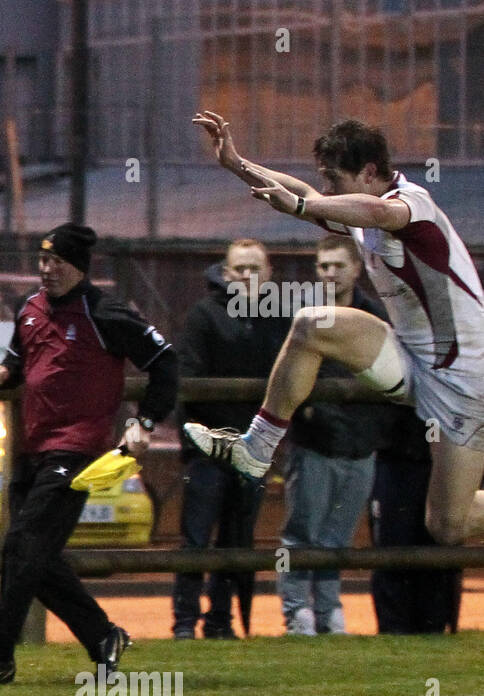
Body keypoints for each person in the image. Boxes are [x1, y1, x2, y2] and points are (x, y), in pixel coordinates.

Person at [185, 113, 484, 548]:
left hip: (465, 380)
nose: (325, 190)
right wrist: (236, 163)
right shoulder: (358, 208)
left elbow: (372, 210)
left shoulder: (410, 202)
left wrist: (305, 207)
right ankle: (258, 446)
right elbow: (305, 193)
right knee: (311, 323)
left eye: (333, 179)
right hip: (413, 358)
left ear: (368, 173)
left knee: (447, 527)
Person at [0, 224, 179, 684]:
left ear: (79, 267)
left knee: (23, 545)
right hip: (32, 448)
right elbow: (20, 360)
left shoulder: (107, 313)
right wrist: (2, 372)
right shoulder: (28, 309)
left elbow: (165, 362)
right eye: (43, 260)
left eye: (57, 262)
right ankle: (102, 636)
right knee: (33, 554)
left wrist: (145, 422)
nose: (46, 269)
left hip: (77, 450)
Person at [173, 239, 287, 640]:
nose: (247, 276)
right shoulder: (203, 316)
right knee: (196, 538)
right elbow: (187, 380)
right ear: (225, 273)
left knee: (238, 539)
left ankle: (221, 621)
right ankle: (185, 624)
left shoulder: (278, 319)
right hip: (209, 451)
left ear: (269, 273)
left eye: (255, 268)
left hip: (252, 453)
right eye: (240, 268)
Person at [277, 236, 390, 635]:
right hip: (315, 443)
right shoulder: (303, 315)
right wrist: (311, 412)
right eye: (323, 265)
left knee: (336, 538)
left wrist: (372, 429)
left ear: (356, 268)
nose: (329, 273)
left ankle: (328, 610)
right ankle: (296, 612)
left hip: (360, 446)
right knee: (300, 534)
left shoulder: (375, 315)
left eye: (338, 265)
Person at [369, 404, 463, 634]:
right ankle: (395, 627)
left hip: (445, 457)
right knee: (393, 545)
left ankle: (435, 625)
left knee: (440, 544)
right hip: (398, 456)